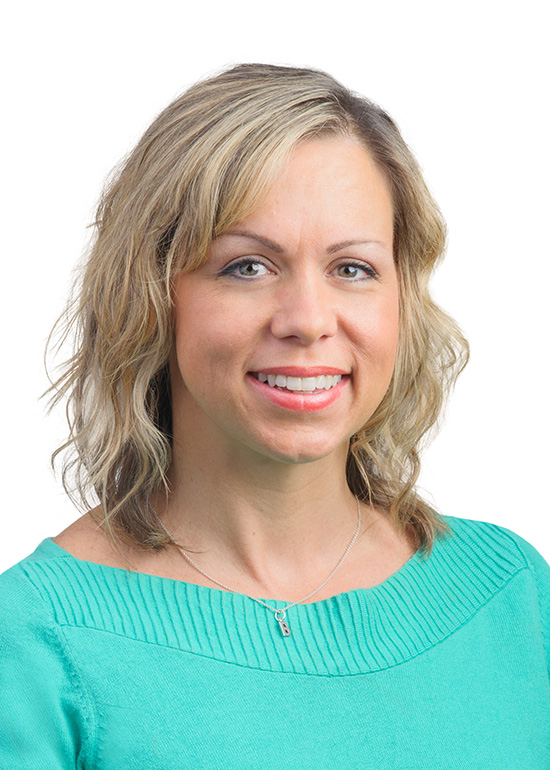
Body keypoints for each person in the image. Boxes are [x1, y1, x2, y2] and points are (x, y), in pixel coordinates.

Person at [1, 63, 549, 768]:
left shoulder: (511, 598)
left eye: (352, 269)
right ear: (150, 296)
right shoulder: (37, 645)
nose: (309, 320)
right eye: (248, 267)